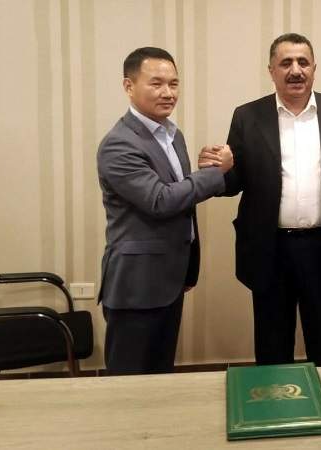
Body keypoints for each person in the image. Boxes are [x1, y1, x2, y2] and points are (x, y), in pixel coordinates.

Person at [199, 33, 321, 366]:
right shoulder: (247, 116)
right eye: (286, 63)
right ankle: (273, 400)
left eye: (303, 62)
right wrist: (219, 171)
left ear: (314, 68)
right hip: (270, 249)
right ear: (271, 70)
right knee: (272, 345)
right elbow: (235, 183)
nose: (295, 70)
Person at [96, 47, 232, 375]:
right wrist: (216, 174)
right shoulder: (119, 143)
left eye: (173, 83)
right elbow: (159, 200)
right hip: (137, 284)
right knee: (129, 382)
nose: (168, 93)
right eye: (156, 83)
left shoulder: (172, 135)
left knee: (160, 378)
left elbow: (179, 194)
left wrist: (203, 170)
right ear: (129, 86)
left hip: (170, 277)